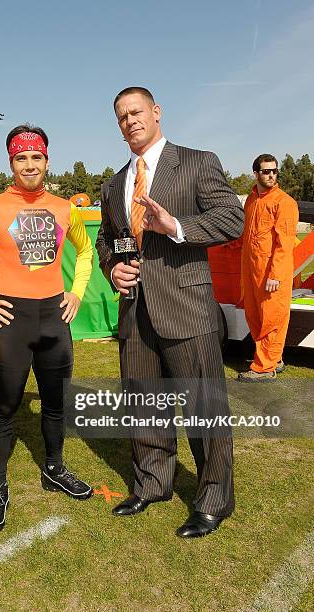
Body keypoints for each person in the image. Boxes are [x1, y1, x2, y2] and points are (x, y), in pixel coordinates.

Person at [95, 87, 244, 538]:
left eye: (136, 112)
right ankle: (153, 482)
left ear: (156, 112)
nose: (130, 121)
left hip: (186, 306)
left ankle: (215, 496)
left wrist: (176, 225)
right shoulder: (113, 183)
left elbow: (232, 219)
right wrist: (112, 268)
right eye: (121, 116)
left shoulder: (197, 162)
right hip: (135, 311)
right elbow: (106, 239)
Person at [0, 125, 94, 534]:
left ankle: (54, 469)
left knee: (56, 405)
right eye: (21, 158)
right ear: (11, 162)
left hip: (55, 321)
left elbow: (86, 252)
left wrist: (77, 292)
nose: (30, 165)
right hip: (12, 322)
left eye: (36, 157)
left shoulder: (66, 208)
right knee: (4, 411)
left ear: (47, 160)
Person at [237, 154, 299, 382]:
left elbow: (285, 244)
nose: (271, 174)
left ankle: (264, 368)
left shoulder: (285, 203)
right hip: (252, 271)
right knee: (254, 317)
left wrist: (275, 275)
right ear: (256, 173)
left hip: (273, 274)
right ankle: (275, 358)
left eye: (274, 170)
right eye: (266, 171)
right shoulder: (252, 201)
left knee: (272, 319)